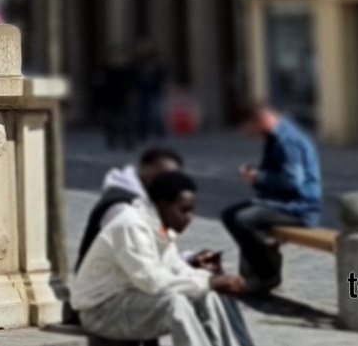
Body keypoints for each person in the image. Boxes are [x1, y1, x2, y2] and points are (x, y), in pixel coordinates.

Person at [73, 169, 250, 346]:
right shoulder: (131, 225)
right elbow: (152, 282)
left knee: (206, 294)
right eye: (184, 210)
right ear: (164, 204)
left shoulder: (159, 227)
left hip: (134, 300)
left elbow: (177, 269)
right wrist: (210, 282)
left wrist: (212, 280)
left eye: (191, 211)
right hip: (100, 312)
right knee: (174, 303)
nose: (189, 218)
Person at [220, 102, 322, 297]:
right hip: (278, 202)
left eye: (250, 128)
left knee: (243, 220)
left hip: (298, 207)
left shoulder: (288, 140)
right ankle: (260, 265)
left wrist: (259, 177)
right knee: (229, 215)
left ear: (261, 120)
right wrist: (257, 176)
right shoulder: (274, 137)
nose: (250, 134)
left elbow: (292, 182)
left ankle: (266, 275)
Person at [78, 145, 187, 268]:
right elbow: (140, 264)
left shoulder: (148, 202)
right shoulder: (122, 207)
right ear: (146, 169)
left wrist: (187, 259)